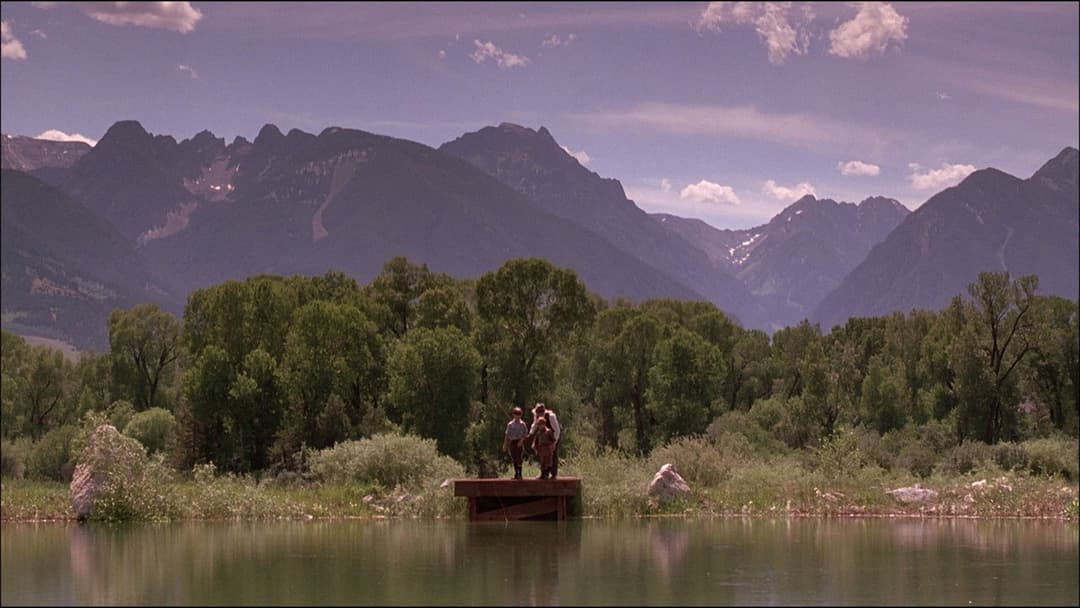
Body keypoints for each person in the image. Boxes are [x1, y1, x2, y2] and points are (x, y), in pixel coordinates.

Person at [530, 402, 560, 479]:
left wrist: (554, 444)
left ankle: (554, 474)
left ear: (543, 412)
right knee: (542, 456)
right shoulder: (536, 416)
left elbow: (557, 431)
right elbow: (534, 425)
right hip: (543, 436)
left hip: (553, 435)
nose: (538, 415)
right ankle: (543, 474)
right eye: (537, 413)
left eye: (540, 413)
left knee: (553, 454)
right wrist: (530, 433)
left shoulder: (551, 416)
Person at [502, 406, 528, 480]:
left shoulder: (522, 424)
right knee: (514, 458)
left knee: (519, 458)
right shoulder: (510, 424)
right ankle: (516, 473)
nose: (517, 416)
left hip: (519, 442)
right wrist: (505, 445)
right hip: (512, 442)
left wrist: (521, 440)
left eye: (519, 414)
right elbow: (507, 435)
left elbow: (525, 434)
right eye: (516, 414)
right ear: (513, 415)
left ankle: (520, 474)